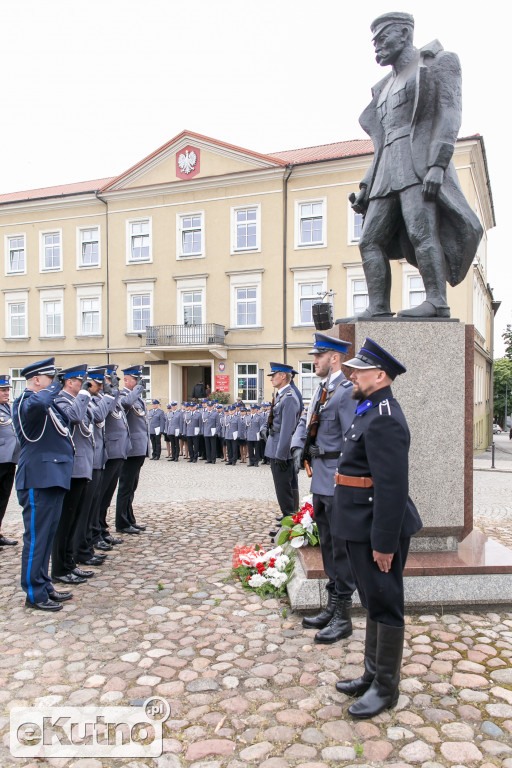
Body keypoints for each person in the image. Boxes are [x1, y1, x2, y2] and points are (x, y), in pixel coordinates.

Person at [346, 12, 482, 320]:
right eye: (375, 42)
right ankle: (378, 306)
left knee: (422, 232)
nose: (377, 48)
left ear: (405, 34)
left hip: (417, 162)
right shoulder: (383, 87)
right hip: (386, 169)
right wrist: (366, 186)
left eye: (383, 39)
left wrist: (437, 164)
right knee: (369, 240)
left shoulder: (437, 62)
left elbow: (449, 114)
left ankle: (436, 301)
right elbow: (380, 142)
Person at [332, 337, 422, 718]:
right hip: (359, 522)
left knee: (385, 603)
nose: (351, 375)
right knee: (372, 601)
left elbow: (392, 486)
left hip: (376, 528)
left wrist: (383, 543)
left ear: (379, 375)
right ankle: (371, 675)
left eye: (358, 371)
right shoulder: (370, 408)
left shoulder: (384, 415)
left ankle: (386, 688)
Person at [291, 333, 356, 643]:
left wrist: (342, 478)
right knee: (329, 544)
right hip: (320, 478)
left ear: (335, 358)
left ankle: (343, 615)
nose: (313, 360)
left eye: (319, 355)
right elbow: (306, 424)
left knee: (340, 548)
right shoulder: (321, 390)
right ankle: (332, 606)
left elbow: (351, 440)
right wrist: (297, 448)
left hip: (335, 479)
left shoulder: (345, 392)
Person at [13, 358, 75, 611]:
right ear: (36, 380)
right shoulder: (26, 402)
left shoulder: (47, 405)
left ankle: (44, 583)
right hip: (38, 478)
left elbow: (70, 419)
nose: (56, 384)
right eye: (51, 378)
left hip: (52, 476)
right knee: (36, 538)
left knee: (47, 536)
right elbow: (40, 401)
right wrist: (55, 386)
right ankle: (34, 592)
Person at [51, 364, 97, 586]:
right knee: (65, 521)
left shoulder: (77, 399)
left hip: (82, 467)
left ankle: (69, 563)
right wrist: (86, 393)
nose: (84, 385)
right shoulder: (62, 401)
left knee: (75, 518)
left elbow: (94, 418)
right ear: (69, 382)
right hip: (72, 470)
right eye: (80, 381)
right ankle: (60, 567)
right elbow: (76, 418)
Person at [264, 363, 301, 525]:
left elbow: (287, 429)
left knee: (283, 485)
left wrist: (281, 453)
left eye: (274, 375)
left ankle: (289, 516)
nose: (271, 378)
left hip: (281, 449)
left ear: (283, 376)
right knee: (283, 485)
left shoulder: (290, 398)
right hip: (275, 445)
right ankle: (288, 513)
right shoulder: (282, 395)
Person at [116, 365, 149, 534]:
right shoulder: (123, 396)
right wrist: (137, 389)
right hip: (130, 449)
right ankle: (121, 522)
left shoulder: (137, 398)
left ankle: (129, 518)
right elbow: (126, 403)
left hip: (139, 448)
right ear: (127, 380)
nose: (138, 384)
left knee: (132, 486)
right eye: (135, 380)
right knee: (125, 487)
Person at [0, 374, 19, 547]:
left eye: (7, 390)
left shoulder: (8, 408)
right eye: (3, 390)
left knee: (3, 498)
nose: (6, 393)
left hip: (9, 460)